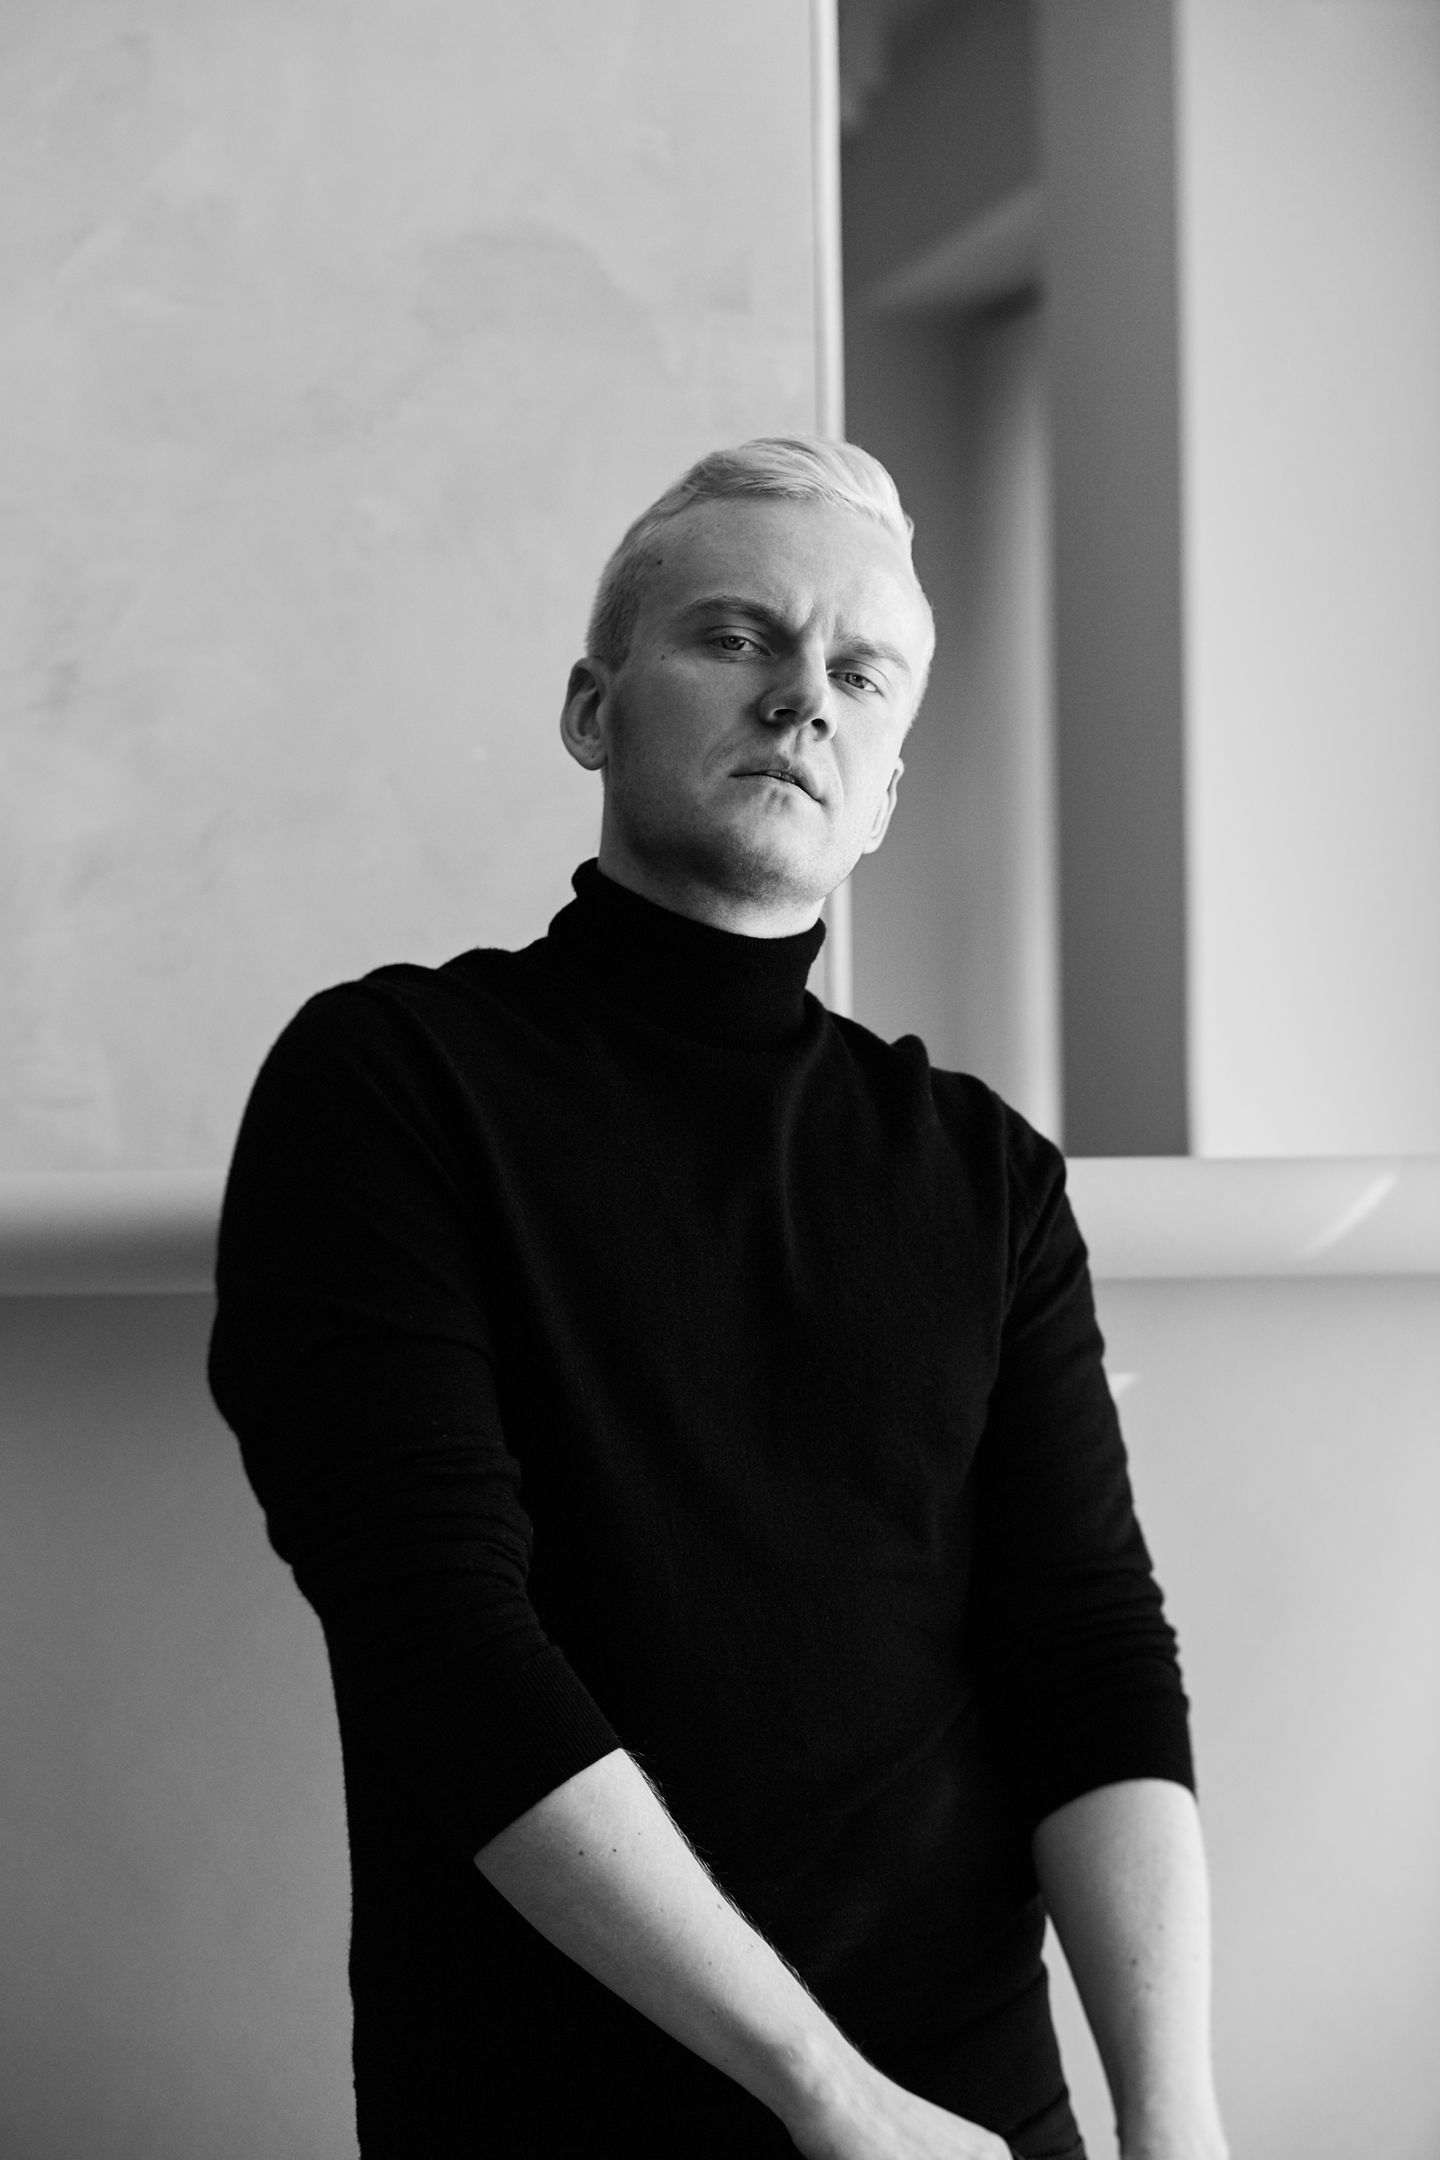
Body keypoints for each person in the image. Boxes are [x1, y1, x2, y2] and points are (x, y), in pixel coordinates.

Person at [208, 437, 1228, 2160]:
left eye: (860, 673)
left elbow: (1088, 1656)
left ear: (885, 791)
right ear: (590, 711)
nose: (802, 698)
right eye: (737, 636)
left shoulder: (984, 1172)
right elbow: (439, 1641)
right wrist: (828, 2096)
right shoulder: (387, 1083)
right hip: (560, 2118)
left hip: (974, 2118)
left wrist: (1175, 2123)